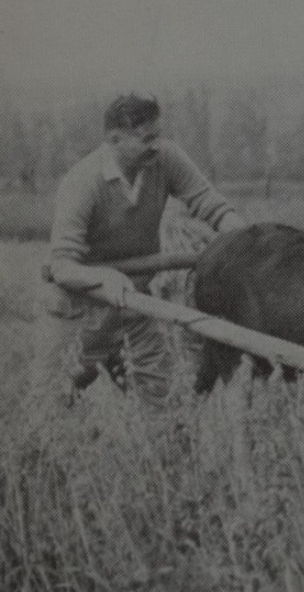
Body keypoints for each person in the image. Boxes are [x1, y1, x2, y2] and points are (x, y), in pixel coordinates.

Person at [34, 92, 248, 406]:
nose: (155, 145)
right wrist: (105, 278)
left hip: (134, 305)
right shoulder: (82, 182)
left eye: (157, 136)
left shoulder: (164, 159)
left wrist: (248, 241)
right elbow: (62, 265)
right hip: (77, 312)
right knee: (49, 409)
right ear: (114, 139)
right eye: (146, 139)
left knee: (164, 406)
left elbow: (209, 204)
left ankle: (162, 451)